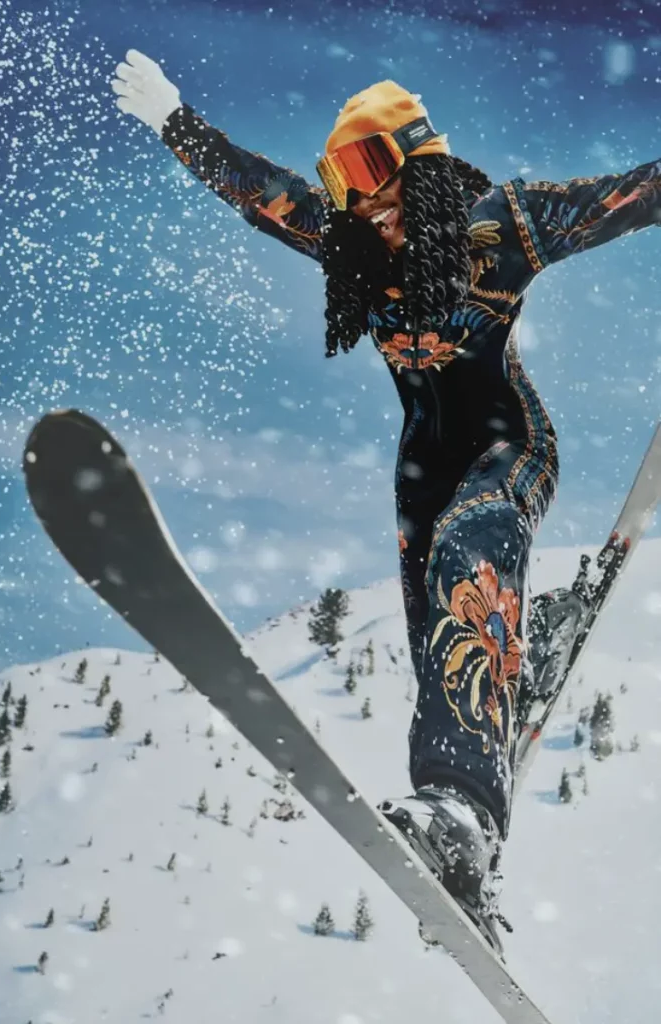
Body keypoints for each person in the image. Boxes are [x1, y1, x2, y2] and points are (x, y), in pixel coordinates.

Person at [111, 50, 660, 952]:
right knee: (441, 647)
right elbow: (261, 193)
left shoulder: (506, 225)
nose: (362, 200)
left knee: (469, 555)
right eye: (342, 182)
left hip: (509, 450)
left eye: (370, 167)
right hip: (422, 473)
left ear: (420, 157)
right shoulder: (355, 250)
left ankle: (463, 810)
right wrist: (178, 123)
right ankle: (461, 840)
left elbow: (633, 195)